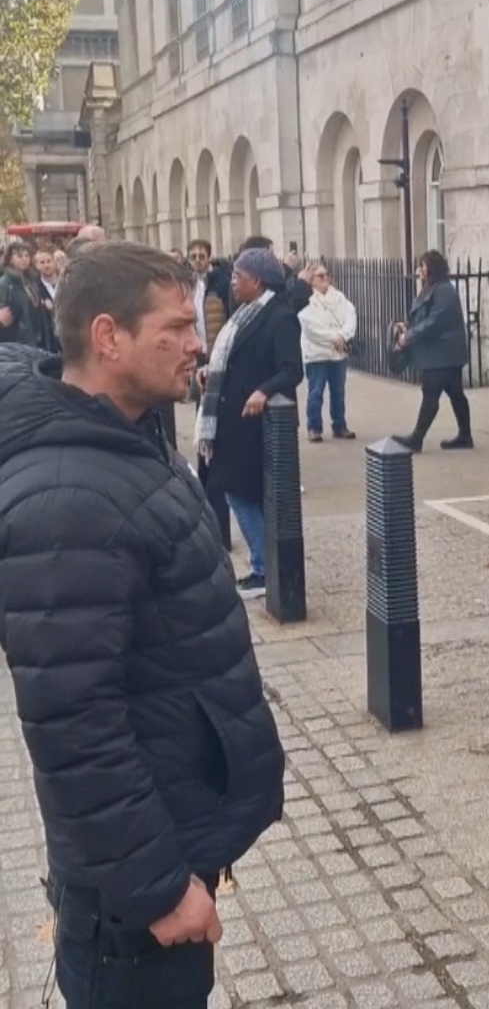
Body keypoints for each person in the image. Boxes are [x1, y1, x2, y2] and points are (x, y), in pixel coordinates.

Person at [0, 242, 285, 1009]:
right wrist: (158, 889)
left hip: (171, 831)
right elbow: (73, 725)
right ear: (106, 338)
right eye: (174, 327)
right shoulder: (66, 494)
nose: (197, 340)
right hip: (130, 903)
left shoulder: (124, 430)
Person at [196, 247, 303, 600]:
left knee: (239, 494)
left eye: (239, 276)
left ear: (257, 281)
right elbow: (230, 360)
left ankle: (263, 567)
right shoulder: (245, 314)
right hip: (232, 419)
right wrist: (208, 373)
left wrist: (262, 391)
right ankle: (264, 564)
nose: (233, 283)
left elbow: (291, 370)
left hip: (255, 424)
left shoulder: (279, 317)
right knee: (242, 494)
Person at [393, 250, 473, 452]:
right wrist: (407, 327)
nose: (419, 270)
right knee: (455, 393)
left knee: (431, 393)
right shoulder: (432, 288)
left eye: (422, 266)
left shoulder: (444, 290)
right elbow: (424, 316)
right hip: (442, 353)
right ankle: (465, 435)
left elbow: (435, 321)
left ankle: (417, 438)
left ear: (431, 269)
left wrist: (409, 337)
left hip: (442, 353)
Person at [187, 239, 233, 548]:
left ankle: (222, 530)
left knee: (212, 432)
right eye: (193, 256)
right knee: (201, 425)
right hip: (197, 357)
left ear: (209, 257)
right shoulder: (187, 286)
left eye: (202, 256)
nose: (197, 260)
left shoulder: (220, 283)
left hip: (216, 358)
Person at [301, 264, 357, 442]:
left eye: (326, 275)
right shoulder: (306, 300)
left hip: (337, 354)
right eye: (320, 276)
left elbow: (351, 316)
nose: (325, 278)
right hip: (317, 354)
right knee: (316, 392)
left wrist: (343, 336)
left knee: (338, 392)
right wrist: (334, 338)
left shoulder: (339, 297)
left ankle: (340, 425)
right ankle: (314, 427)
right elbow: (311, 327)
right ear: (312, 280)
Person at [0, 240, 41, 346]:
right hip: (17, 339)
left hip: (36, 335)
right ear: (10, 259)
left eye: (27, 256)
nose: (24, 259)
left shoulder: (31, 280)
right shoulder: (5, 282)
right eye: (19, 256)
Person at [33, 247, 60, 352]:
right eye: (42, 262)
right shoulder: (35, 288)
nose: (46, 265)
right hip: (48, 339)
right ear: (36, 266)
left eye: (49, 261)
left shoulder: (65, 281)